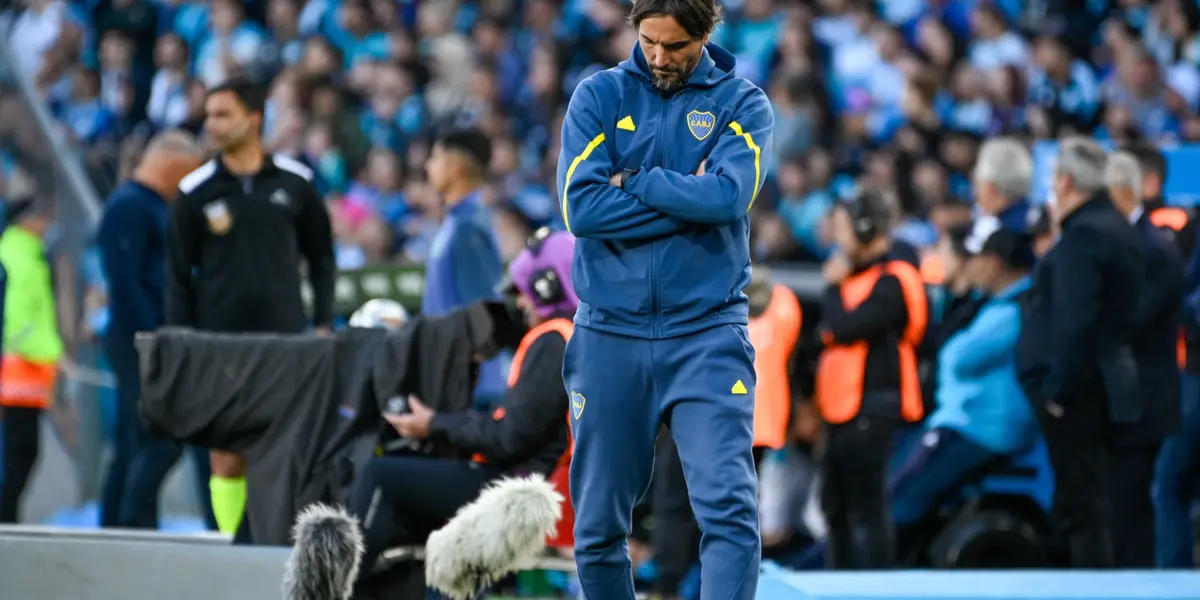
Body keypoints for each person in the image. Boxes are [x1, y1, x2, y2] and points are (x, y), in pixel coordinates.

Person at [556, 0, 773, 595]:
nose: (657, 57)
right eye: (648, 41)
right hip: (608, 334)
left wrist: (637, 181)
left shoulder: (743, 104)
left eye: (674, 46)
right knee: (597, 528)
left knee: (729, 514)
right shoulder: (597, 96)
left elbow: (728, 198)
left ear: (705, 35)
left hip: (706, 335)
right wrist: (687, 197)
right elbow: (581, 208)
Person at [349, 229, 575, 591]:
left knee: (380, 476)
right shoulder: (573, 336)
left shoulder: (553, 341)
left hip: (526, 491)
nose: (521, 303)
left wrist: (433, 424)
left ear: (548, 286)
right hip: (542, 482)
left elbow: (509, 440)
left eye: (525, 293)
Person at [165, 76, 335, 541]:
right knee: (225, 454)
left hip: (285, 342)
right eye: (209, 116)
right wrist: (181, 338)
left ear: (253, 118)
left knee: (283, 451)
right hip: (220, 346)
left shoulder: (297, 184)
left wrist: (321, 323)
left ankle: (275, 545)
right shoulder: (195, 190)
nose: (212, 124)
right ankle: (229, 548)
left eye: (222, 114)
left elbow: (321, 256)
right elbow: (178, 273)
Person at [1016, 136, 1144, 568]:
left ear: (1065, 181)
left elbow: (1075, 321)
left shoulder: (1084, 237)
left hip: (1080, 394)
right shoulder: (1118, 229)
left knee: (1082, 509)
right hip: (1108, 383)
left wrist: (1055, 391)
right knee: (1096, 503)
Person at [651, 265, 802, 598]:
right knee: (730, 513)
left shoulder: (703, 296)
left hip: (704, 415)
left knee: (678, 503)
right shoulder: (785, 303)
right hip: (758, 425)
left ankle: (672, 587)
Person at [96, 130, 215, 530]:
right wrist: (151, 339)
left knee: (139, 437)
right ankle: (127, 521)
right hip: (139, 341)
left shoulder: (151, 205)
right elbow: (124, 283)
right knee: (151, 434)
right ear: (167, 163)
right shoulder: (129, 206)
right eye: (186, 172)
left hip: (153, 340)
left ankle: (122, 523)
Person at [891, 219, 1038, 536]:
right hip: (967, 422)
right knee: (896, 489)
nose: (971, 268)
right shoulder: (996, 305)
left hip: (980, 427)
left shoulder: (1013, 310)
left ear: (995, 262)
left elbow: (955, 357)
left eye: (977, 260)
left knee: (901, 502)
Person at [815, 189, 928, 569]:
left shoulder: (893, 279)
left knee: (868, 506)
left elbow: (845, 327)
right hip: (842, 410)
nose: (839, 240)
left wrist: (831, 285)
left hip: (871, 406)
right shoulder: (859, 277)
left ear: (865, 229)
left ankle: (877, 586)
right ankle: (839, 583)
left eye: (845, 229)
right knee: (834, 504)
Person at [1105, 152, 1184, 567]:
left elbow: (1128, 320)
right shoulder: (1127, 243)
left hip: (1143, 400)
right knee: (1122, 504)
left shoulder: (1154, 250)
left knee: (1133, 503)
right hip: (1123, 397)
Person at [420, 128, 506, 407]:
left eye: (435, 157)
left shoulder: (468, 226)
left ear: (456, 166)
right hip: (455, 375)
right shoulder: (457, 222)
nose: (427, 166)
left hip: (471, 387)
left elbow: (481, 309)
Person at [0, 199, 63, 523]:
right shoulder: (14, 256)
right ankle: (6, 520)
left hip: (31, 367)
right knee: (20, 451)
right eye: (41, 216)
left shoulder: (29, 254)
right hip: (19, 367)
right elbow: (15, 318)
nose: (46, 224)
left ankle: (9, 519)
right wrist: (40, 348)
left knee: (22, 451)